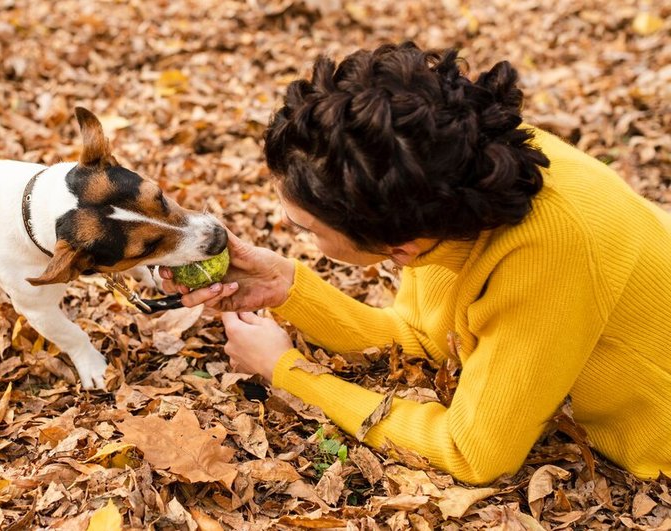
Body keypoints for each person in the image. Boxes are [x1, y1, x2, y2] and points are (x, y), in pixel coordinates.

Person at [159, 42, 671, 485]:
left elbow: (472, 454)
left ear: (399, 247)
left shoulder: (546, 255)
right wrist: (285, 285)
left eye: (306, 229)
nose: (298, 235)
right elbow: (426, 339)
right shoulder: (455, 167)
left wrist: (286, 371)